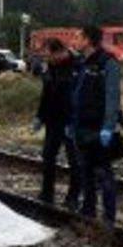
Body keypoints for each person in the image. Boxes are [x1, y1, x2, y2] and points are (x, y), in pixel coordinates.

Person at [69, 25, 122, 226]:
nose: (74, 40)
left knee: (103, 173)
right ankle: (88, 211)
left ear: (88, 40)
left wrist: (108, 126)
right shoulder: (83, 62)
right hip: (81, 127)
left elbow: (112, 97)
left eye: (78, 36)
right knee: (85, 171)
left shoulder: (108, 64)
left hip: (99, 129)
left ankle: (109, 218)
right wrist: (71, 122)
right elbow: (76, 95)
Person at [33, 38, 81, 209]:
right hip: (52, 120)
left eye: (48, 56)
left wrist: (74, 121)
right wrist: (39, 116)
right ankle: (47, 193)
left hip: (71, 122)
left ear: (59, 52)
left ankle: (73, 197)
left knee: (74, 161)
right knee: (48, 156)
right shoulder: (50, 67)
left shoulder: (77, 66)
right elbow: (46, 94)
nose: (46, 60)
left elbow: (79, 97)